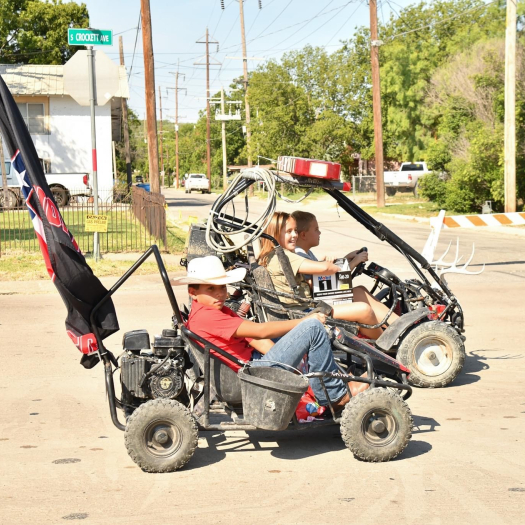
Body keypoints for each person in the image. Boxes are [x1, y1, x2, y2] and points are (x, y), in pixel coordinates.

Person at [170, 255, 368, 408]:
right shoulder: (208, 317)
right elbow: (261, 330)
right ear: (193, 292)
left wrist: (288, 357)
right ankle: (334, 395)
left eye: (222, 288)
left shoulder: (215, 310)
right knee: (313, 327)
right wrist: (304, 321)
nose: (220, 294)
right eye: (211, 289)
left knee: (304, 330)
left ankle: (326, 381)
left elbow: (254, 337)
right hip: (253, 374)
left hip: (256, 364)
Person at [258, 211, 399, 339]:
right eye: (289, 231)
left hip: (305, 307)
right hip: (304, 312)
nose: (294, 235)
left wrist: (335, 263)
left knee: (359, 292)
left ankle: (398, 329)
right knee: (364, 310)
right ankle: (385, 346)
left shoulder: (276, 255)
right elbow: (326, 269)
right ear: (274, 234)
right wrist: (332, 264)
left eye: (295, 230)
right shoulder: (284, 256)